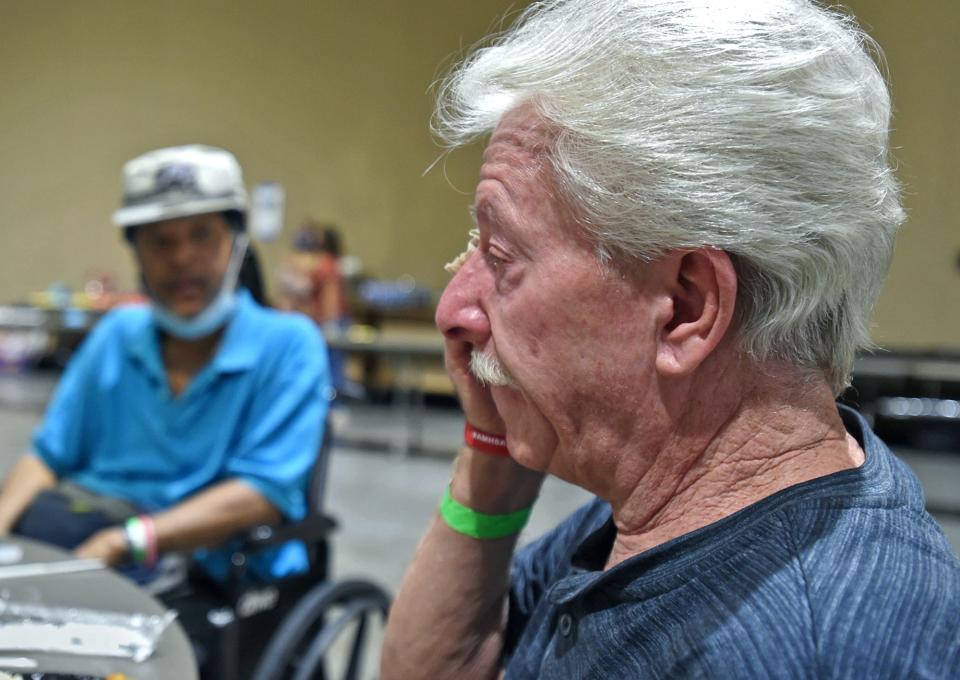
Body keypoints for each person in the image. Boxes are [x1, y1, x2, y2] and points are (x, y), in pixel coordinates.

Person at [383, 1, 960, 678]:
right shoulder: (668, 512)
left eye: (503, 255)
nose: (455, 309)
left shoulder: (800, 651)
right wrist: (493, 450)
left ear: (687, 306)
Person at [0, 144, 330, 585]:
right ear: (136, 252)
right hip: (93, 538)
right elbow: (48, 454)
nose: (181, 259)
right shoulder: (116, 335)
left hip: (205, 566)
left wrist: (126, 542)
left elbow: (264, 491)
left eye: (201, 235)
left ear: (234, 242)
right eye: (160, 241)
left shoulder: (289, 345)